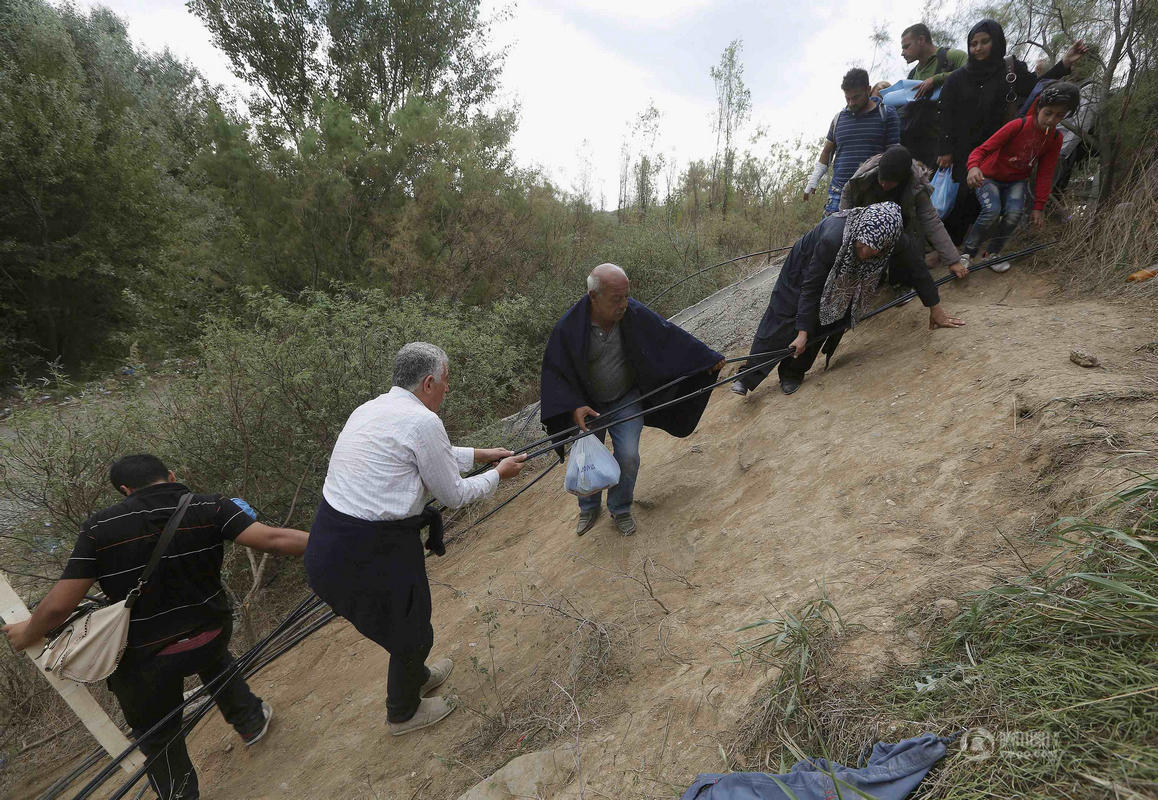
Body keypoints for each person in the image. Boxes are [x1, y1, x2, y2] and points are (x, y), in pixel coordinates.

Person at [2, 454, 309, 800]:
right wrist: (336, 545)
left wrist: (28, 632)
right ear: (171, 475)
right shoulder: (213, 507)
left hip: (148, 657)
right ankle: (251, 721)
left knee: (158, 732)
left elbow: (60, 605)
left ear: (125, 490)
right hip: (210, 633)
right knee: (210, 652)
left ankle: (180, 793)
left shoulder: (99, 528)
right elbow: (274, 540)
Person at [305, 342, 527, 736]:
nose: (446, 390)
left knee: (403, 623)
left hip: (331, 543)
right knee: (411, 627)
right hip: (372, 548)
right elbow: (454, 495)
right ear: (428, 383)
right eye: (445, 382)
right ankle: (403, 712)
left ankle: (417, 676)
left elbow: (427, 454)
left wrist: (481, 454)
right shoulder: (423, 421)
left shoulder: (372, 409)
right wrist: (498, 474)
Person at [540, 263, 724, 537]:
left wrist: (707, 358)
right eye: (616, 299)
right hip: (589, 407)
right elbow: (556, 372)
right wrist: (574, 406)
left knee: (628, 456)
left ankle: (620, 507)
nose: (624, 304)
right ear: (593, 296)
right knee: (587, 461)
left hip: (626, 400)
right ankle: (589, 508)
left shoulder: (633, 314)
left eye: (626, 296)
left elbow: (668, 336)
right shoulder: (569, 329)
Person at [730, 203, 965, 397]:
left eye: (871, 249)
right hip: (803, 268)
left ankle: (793, 373)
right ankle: (749, 375)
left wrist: (936, 308)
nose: (863, 251)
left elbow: (918, 271)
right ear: (859, 232)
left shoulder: (895, 240)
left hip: (847, 278)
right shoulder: (834, 236)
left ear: (885, 245)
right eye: (861, 244)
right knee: (782, 316)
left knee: (830, 318)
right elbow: (811, 286)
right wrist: (801, 331)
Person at [936, 20, 1086, 243]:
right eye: (973, 43)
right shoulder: (958, 78)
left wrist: (1063, 64)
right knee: (960, 195)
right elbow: (944, 114)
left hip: (999, 145)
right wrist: (945, 150)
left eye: (985, 42)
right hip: (963, 147)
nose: (978, 48)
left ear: (997, 42)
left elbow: (1038, 87)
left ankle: (973, 242)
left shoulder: (1010, 70)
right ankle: (948, 245)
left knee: (985, 196)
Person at [961, 82, 1080, 272]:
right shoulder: (1018, 125)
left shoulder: (1055, 139)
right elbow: (982, 150)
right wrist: (973, 167)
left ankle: (992, 253)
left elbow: (1045, 173)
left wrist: (1038, 206)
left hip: (1016, 181)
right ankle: (967, 253)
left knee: (1014, 214)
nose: (1051, 119)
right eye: (1048, 112)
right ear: (1039, 107)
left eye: (1059, 116)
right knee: (992, 210)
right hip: (989, 177)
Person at [839, 145, 968, 282]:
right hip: (867, 219)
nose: (883, 185)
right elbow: (846, 200)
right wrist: (847, 233)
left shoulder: (916, 187)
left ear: (902, 180)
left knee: (909, 250)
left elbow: (932, 221)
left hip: (903, 226)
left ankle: (901, 282)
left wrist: (953, 260)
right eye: (882, 179)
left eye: (889, 182)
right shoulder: (863, 176)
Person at [803, 68, 901, 215]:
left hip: (873, 193)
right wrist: (814, 180)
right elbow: (827, 151)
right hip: (838, 193)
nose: (851, 102)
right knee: (829, 236)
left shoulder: (886, 114)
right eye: (847, 98)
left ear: (868, 90)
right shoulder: (839, 119)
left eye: (856, 97)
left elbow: (894, 154)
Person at [897, 23, 967, 167]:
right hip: (920, 150)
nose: (903, 52)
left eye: (906, 46)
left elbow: (973, 71)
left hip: (952, 146)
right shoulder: (913, 74)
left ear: (921, 40)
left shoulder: (952, 56)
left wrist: (936, 80)